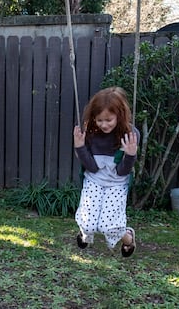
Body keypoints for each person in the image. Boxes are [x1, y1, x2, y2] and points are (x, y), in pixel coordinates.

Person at [73, 86, 139, 257]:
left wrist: (130, 154)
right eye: (99, 120)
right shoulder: (90, 133)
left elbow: (122, 171)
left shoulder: (129, 134)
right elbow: (92, 167)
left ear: (119, 115)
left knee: (109, 227)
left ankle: (128, 238)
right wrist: (80, 147)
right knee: (87, 225)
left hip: (117, 182)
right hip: (94, 179)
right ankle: (85, 233)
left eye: (109, 120)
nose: (103, 125)